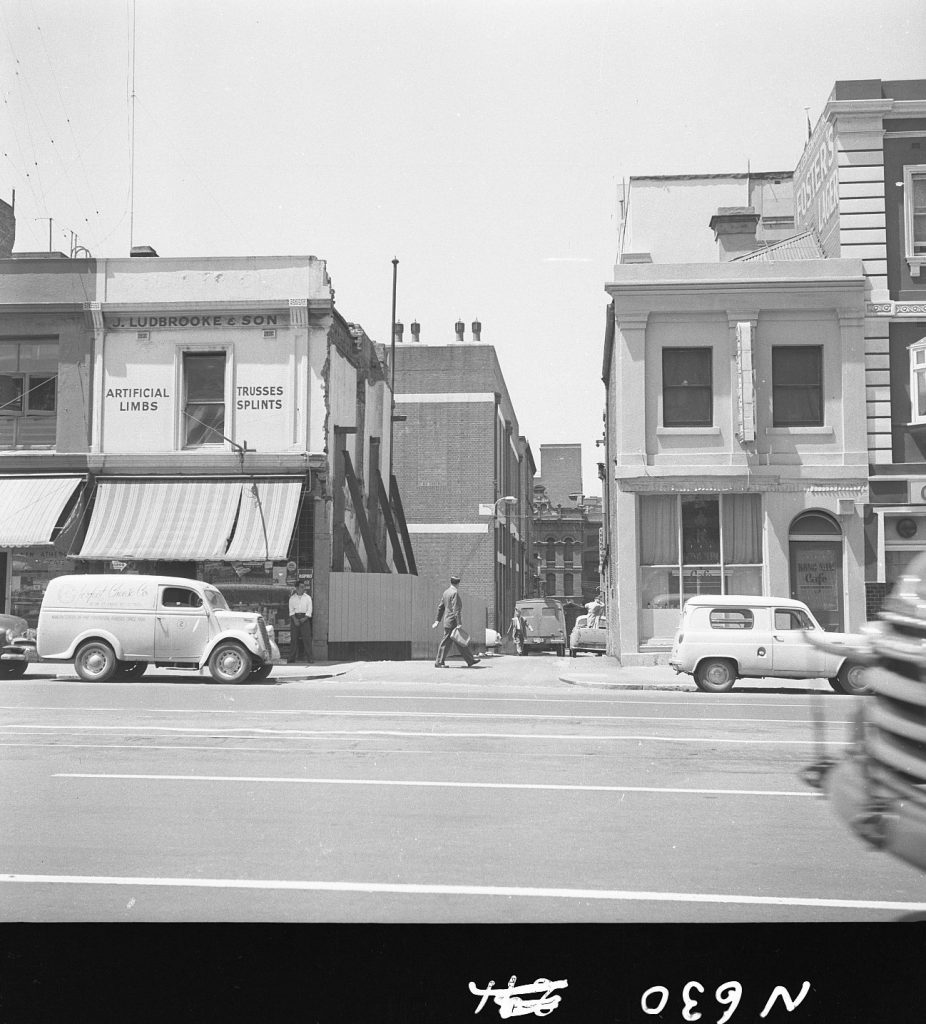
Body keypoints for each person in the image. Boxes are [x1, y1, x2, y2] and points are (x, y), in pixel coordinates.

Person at [432, 574, 478, 668]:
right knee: (447, 642)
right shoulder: (455, 593)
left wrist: (437, 620)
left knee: (460, 641)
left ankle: (470, 660)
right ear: (458, 584)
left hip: (447, 620)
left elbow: (441, 607)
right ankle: (439, 662)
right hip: (452, 621)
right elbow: (456, 609)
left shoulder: (446, 592)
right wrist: (459, 622)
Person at [288, 579, 313, 663]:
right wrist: (295, 620)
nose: (303, 588)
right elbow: (291, 611)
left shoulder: (308, 598)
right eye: (302, 587)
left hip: (305, 618)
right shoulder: (292, 598)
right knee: (294, 639)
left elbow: (309, 610)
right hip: (295, 617)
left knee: (307, 639)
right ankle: (291, 658)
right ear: (297, 588)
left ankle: (310, 658)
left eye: (304, 587)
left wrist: (305, 618)